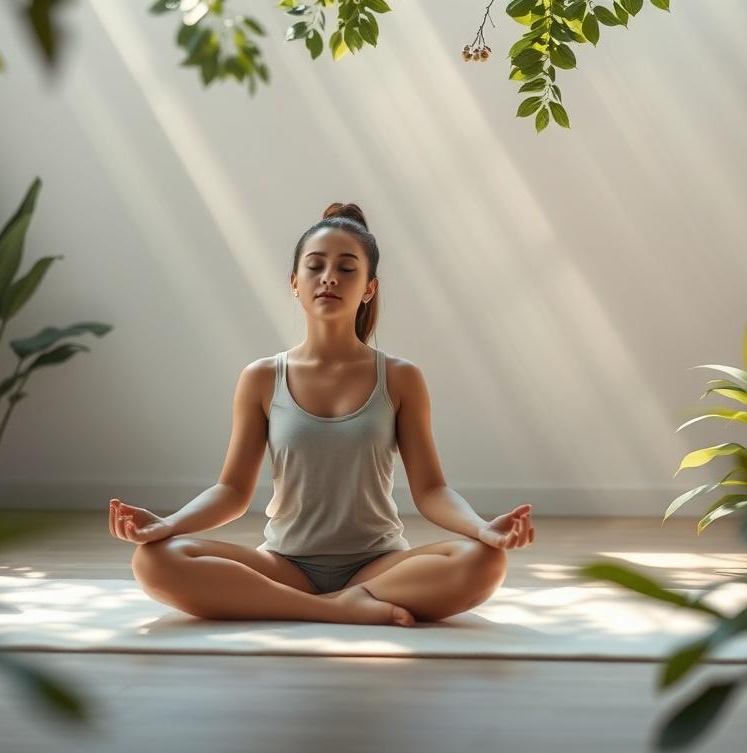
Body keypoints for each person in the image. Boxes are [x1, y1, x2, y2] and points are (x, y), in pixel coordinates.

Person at [108, 202, 535, 627]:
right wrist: (168, 525)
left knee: (484, 561)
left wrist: (482, 529)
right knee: (154, 560)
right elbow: (232, 491)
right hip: (285, 565)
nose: (329, 277)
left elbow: (431, 491)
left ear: (369, 288)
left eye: (347, 269)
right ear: (295, 282)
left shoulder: (401, 378)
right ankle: (336, 608)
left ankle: (313, 602)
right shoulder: (262, 377)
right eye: (315, 266)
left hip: (378, 567)